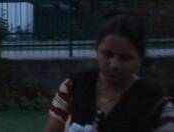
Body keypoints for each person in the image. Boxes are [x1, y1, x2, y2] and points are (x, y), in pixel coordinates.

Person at [43, 12, 174, 132]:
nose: (114, 64)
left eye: (125, 58)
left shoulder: (156, 102)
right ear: (97, 51)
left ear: (140, 59)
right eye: (107, 54)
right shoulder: (73, 86)